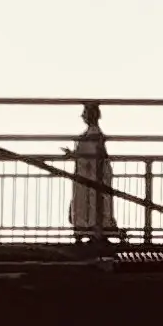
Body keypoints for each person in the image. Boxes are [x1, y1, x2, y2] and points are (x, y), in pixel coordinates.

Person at [67, 103, 118, 247]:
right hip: (89, 174)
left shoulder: (93, 135)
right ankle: (92, 230)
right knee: (90, 201)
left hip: (90, 174)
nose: (83, 116)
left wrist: (75, 155)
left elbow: (93, 155)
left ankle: (91, 230)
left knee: (91, 201)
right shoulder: (94, 134)